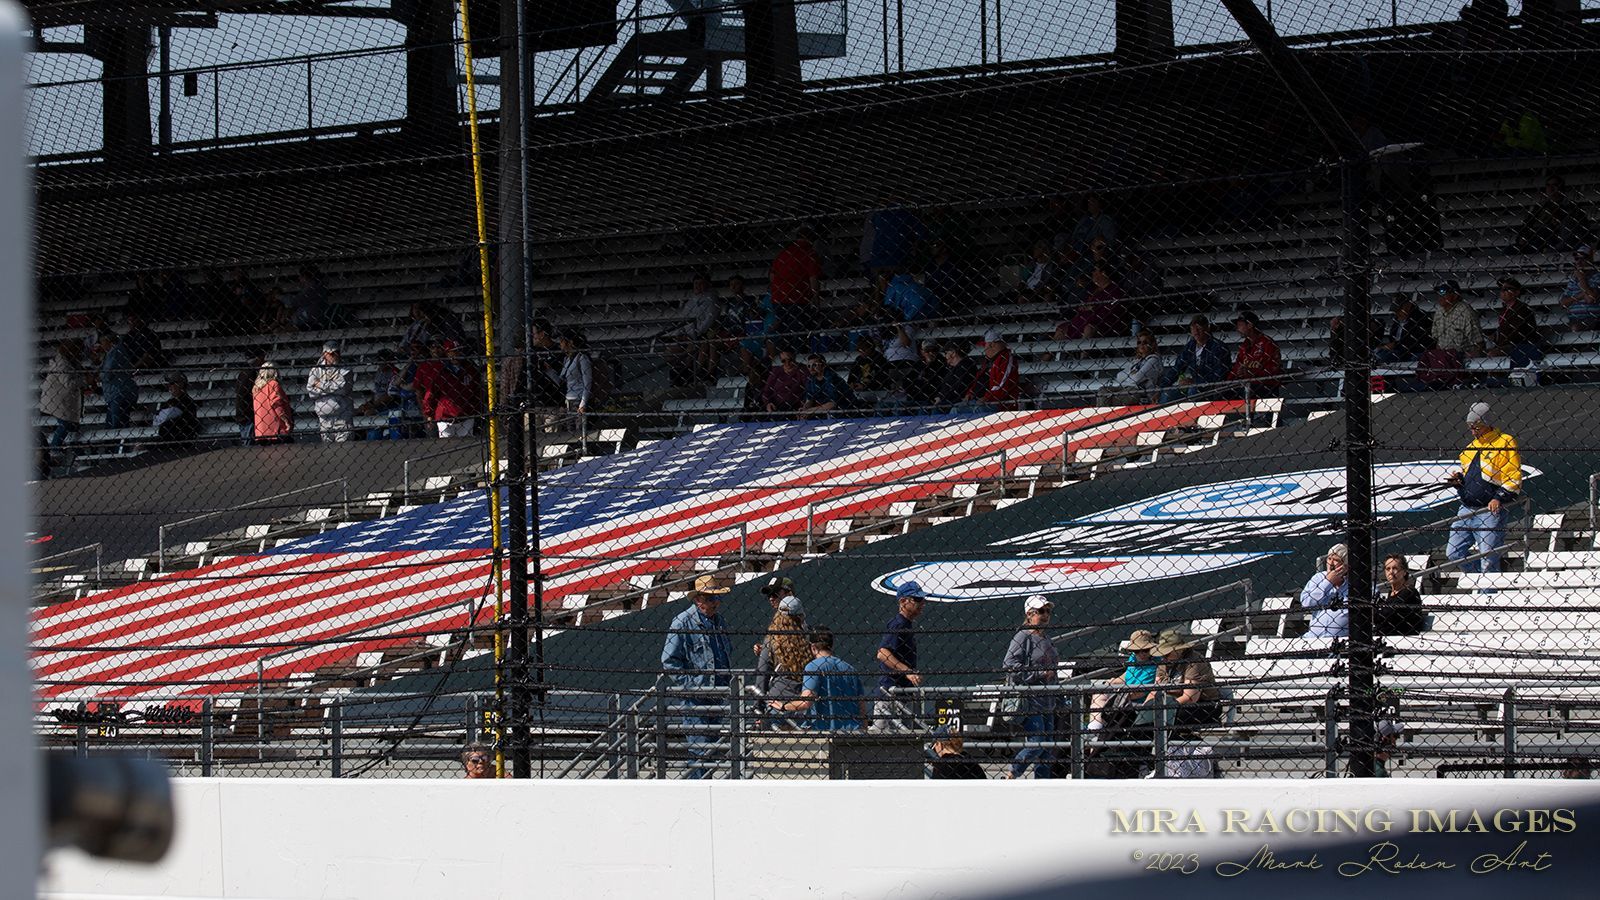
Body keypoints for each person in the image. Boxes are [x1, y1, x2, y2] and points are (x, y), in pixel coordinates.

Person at [660, 574, 734, 779]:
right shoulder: (682, 622)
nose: (716, 603)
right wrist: (692, 686)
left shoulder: (719, 621)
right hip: (696, 698)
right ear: (698, 599)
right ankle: (699, 793)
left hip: (718, 695)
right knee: (700, 751)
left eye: (717, 598)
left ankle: (704, 788)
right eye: (710, 598)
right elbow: (669, 661)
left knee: (712, 750)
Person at [1447, 401, 1521, 574]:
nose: (1473, 431)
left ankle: (1488, 594)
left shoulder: (1505, 442)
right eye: (1470, 427)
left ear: (1486, 423)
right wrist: (1459, 482)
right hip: (1466, 507)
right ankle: (1478, 581)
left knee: (1488, 559)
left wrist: (1499, 497)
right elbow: (1473, 479)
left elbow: (1513, 476)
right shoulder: (1469, 449)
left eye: (1476, 427)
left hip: (1490, 510)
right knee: (1453, 553)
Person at [767, 626, 867, 731]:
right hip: (853, 730)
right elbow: (861, 706)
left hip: (826, 730)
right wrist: (864, 729)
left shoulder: (813, 667)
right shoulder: (850, 669)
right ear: (831, 645)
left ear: (813, 647)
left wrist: (783, 706)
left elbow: (806, 702)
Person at [1003, 595, 1060, 779]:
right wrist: (1039, 674)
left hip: (1048, 700)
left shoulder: (1047, 639)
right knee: (1037, 742)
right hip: (1031, 700)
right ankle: (1013, 771)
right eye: (1040, 611)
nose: (1045, 615)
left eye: (1048, 611)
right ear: (1029, 614)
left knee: (1048, 747)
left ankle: (1042, 782)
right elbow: (1009, 664)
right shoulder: (1023, 636)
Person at [874, 581, 926, 731]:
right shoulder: (899, 624)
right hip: (890, 693)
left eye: (922, 599)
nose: (922, 603)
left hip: (900, 693)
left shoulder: (906, 624)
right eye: (917, 599)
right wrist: (907, 671)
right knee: (884, 741)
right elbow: (882, 653)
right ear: (903, 601)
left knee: (903, 741)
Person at [1147, 629, 1222, 733]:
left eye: (1167, 653)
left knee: (1170, 718)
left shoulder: (1194, 661)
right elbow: (1155, 690)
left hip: (1204, 705)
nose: (1163, 657)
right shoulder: (1164, 662)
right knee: (1143, 718)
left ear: (1178, 650)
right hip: (1171, 702)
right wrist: (1146, 707)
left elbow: (1190, 697)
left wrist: (1165, 709)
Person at [754, 596, 809, 729]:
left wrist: (758, 709)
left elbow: (762, 676)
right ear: (800, 616)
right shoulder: (808, 640)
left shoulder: (772, 641)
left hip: (776, 703)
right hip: (802, 705)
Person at [1089, 629, 1159, 730]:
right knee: (1099, 693)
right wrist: (1113, 681)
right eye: (1136, 650)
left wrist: (1118, 694)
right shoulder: (1134, 658)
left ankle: (1097, 729)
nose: (1141, 654)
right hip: (1124, 692)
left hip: (1137, 700)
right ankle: (1095, 726)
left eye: (1145, 650)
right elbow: (1128, 674)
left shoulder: (1154, 664)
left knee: (1107, 701)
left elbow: (1141, 692)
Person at [768, 225, 823, 341]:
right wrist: (816, 300)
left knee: (784, 331)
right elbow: (813, 278)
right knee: (797, 332)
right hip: (798, 299)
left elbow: (772, 275)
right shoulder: (810, 253)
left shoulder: (784, 252)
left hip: (779, 298)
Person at [1514, 175, 1591, 254]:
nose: (1551, 188)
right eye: (1548, 185)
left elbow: (1576, 231)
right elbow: (1527, 224)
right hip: (1538, 241)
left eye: (1555, 185)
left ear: (1561, 188)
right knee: (1511, 250)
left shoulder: (1572, 207)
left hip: (1559, 241)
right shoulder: (1540, 207)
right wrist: (1522, 238)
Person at [1161, 315, 1230, 401]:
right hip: (1193, 385)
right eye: (1193, 328)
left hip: (1211, 388)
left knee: (1193, 391)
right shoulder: (1190, 346)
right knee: (1167, 395)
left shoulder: (1218, 347)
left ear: (1207, 328)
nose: (1196, 331)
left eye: (1199, 328)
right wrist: (1162, 387)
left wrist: (1195, 382)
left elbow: (1219, 375)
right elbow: (1177, 368)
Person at [39, 341, 85, 460]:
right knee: (66, 423)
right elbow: (68, 383)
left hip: (60, 399)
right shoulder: (63, 364)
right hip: (59, 400)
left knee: (72, 425)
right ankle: (55, 448)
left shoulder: (67, 362)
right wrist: (84, 380)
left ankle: (77, 451)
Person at [306, 341, 354, 443]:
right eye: (331, 354)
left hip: (342, 417)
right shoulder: (316, 370)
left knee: (345, 447)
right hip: (324, 419)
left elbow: (342, 389)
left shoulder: (346, 369)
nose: (335, 356)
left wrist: (320, 385)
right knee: (327, 450)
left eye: (337, 352)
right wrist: (332, 388)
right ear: (324, 354)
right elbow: (311, 390)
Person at [1299, 543, 1351, 637]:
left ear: (1345, 566)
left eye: (1336, 560)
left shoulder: (1354, 584)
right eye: (1329, 559)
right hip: (1312, 637)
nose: (1330, 564)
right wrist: (1328, 582)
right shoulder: (1318, 578)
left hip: (1340, 640)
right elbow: (1306, 603)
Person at [1491, 276, 1543, 371]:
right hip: (1509, 343)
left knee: (1493, 353)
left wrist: (1499, 342)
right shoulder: (1504, 309)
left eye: (1507, 289)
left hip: (1521, 345)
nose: (1503, 292)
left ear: (1517, 292)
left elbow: (1516, 332)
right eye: (1502, 289)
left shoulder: (1522, 308)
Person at [1227, 308, 1283, 396]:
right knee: (1225, 392)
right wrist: (1229, 381)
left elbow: (1274, 371)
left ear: (1249, 325)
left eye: (1240, 325)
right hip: (1247, 385)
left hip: (1266, 387)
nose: (1237, 328)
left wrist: (1250, 372)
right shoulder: (1244, 345)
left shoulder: (1267, 343)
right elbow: (1236, 368)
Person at [965, 329, 1021, 411]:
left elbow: (1001, 385)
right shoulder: (988, 360)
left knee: (978, 409)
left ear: (992, 345)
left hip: (998, 403)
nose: (984, 349)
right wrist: (970, 393)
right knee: (956, 409)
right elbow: (978, 379)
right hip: (979, 400)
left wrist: (986, 398)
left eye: (985, 345)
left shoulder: (1005, 359)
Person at [1101, 332, 1162, 405]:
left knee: (1109, 399)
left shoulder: (1153, 360)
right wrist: (1131, 374)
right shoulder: (1136, 361)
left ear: (1152, 345)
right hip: (1126, 388)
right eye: (1139, 342)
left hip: (1140, 392)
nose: (1142, 345)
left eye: (1145, 342)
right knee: (1103, 390)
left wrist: (1129, 376)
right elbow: (1119, 376)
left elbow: (1136, 378)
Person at [1430, 280, 1484, 359]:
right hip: (1443, 357)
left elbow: (1479, 343)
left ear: (1455, 295)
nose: (1440, 296)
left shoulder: (1465, 312)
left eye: (1443, 293)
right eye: (1438, 293)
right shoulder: (1439, 311)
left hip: (1461, 357)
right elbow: (1437, 341)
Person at [1376, 554, 1426, 636]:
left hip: (1404, 638)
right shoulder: (1390, 593)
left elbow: (1389, 614)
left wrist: (1377, 610)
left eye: (1395, 568)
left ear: (1404, 572)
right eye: (1388, 569)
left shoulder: (1409, 592)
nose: (1391, 572)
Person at [96, 332, 139, 429]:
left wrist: (98, 376)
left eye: (103, 343)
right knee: (112, 424)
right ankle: (117, 443)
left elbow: (107, 373)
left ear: (109, 342)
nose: (102, 346)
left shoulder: (115, 351)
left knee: (117, 425)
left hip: (119, 392)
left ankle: (119, 443)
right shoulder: (111, 353)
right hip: (115, 393)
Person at [1373, 296, 1432, 364]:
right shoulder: (1397, 320)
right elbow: (1393, 337)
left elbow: (1414, 341)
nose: (1397, 313)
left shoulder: (1420, 317)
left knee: (1383, 356)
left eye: (1399, 310)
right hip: (1398, 350)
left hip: (1413, 351)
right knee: (1378, 353)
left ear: (1408, 306)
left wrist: (1395, 344)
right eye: (1396, 311)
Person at [799, 353, 855, 419]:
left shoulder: (832, 378)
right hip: (825, 410)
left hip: (845, 410)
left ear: (823, 365)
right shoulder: (811, 379)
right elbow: (809, 399)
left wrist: (811, 410)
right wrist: (805, 409)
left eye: (814, 365)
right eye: (809, 366)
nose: (811, 368)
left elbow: (832, 404)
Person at [153, 373, 200, 445]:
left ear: (181, 384)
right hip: (168, 437)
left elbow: (165, 417)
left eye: (172, 383)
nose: (169, 386)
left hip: (179, 439)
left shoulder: (186, 401)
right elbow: (158, 418)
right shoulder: (171, 401)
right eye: (169, 384)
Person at [1560, 245, 1600, 332]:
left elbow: (1590, 299)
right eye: (1577, 259)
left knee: (1576, 328)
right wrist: (1582, 295)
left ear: (1590, 260)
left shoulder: (1597, 276)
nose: (1579, 262)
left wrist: (1581, 278)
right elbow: (1563, 303)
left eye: (1583, 258)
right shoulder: (1573, 279)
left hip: (1593, 318)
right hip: (1573, 319)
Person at [253, 361, 294, 444]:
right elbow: (276, 404)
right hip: (275, 427)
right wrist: (286, 420)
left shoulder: (256, 387)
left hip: (261, 429)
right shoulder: (273, 384)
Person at [558, 331, 593, 420]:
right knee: (570, 429)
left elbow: (587, 382)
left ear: (570, 342)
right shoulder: (567, 359)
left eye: (562, 341)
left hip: (578, 398)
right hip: (568, 399)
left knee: (579, 428)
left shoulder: (582, 358)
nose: (560, 343)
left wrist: (583, 404)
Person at [760, 349, 808, 414]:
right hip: (776, 404)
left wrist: (803, 404)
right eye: (783, 361)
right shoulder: (776, 371)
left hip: (794, 404)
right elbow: (766, 391)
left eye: (790, 360)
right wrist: (768, 403)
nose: (787, 363)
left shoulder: (802, 370)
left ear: (794, 357)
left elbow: (808, 389)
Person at [233, 347, 265, 445]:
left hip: (246, 414)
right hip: (248, 416)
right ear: (258, 358)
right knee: (249, 443)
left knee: (249, 442)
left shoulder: (244, 373)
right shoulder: (250, 374)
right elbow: (244, 396)